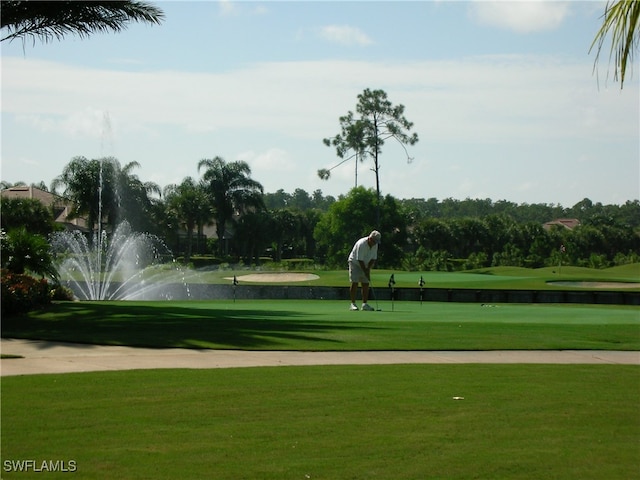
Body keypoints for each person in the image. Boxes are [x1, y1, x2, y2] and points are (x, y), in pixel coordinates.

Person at [348, 230, 381, 311]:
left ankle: (364, 304)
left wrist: (368, 269)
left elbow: (373, 259)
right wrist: (365, 271)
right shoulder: (361, 244)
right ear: (370, 238)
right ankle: (353, 304)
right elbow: (359, 259)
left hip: (365, 263)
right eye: (374, 241)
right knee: (355, 282)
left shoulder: (375, 245)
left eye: (376, 242)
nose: (375, 243)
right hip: (355, 262)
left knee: (365, 283)